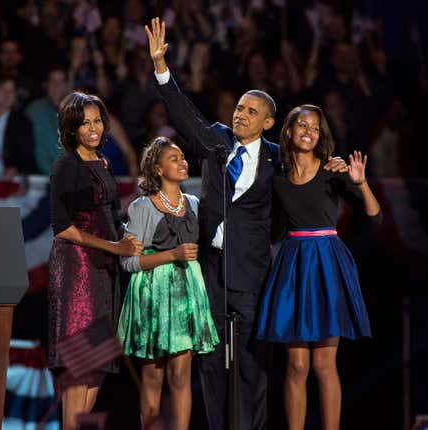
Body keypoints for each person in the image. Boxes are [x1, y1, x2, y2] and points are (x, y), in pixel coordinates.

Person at [144, 17, 347, 430]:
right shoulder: (216, 140)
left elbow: (309, 174)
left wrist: (336, 167)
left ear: (268, 123)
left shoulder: (280, 158)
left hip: (255, 273)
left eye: (252, 112)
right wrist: (161, 68)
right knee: (212, 364)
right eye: (239, 108)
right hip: (212, 270)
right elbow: (183, 114)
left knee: (254, 365)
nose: (241, 115)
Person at [256, 105, 381, 430]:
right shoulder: (278, 178)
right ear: (288, 131)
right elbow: (273, 230)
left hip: (327, 264)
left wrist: (362, 183)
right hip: (293, 267)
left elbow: (375, 217)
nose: (308, 131)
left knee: (325, 365)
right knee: (297, 366)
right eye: (301, 125)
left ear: (321, 133)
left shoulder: (333, 170)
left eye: (314, 126)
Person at [47, 91, 143, 430]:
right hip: (77, 273)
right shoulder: (66, 165)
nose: (94, 128)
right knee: (79, 370)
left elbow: (111, 216)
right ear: (71, 129)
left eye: (98, 121)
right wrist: (114, 247)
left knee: (96, 368)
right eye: (85, 123)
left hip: (104, 273)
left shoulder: (103, 163)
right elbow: (63, 228)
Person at [117, 137, 219, 430]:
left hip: (187, 294)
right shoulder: (142, 207)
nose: (182, 162)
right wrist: (172, 254)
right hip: (154, 294)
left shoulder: (195, 204)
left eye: (183, 157)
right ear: (158, 169)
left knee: (181, 375)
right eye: (173, 158)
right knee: (153, 376)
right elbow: (129, 262)